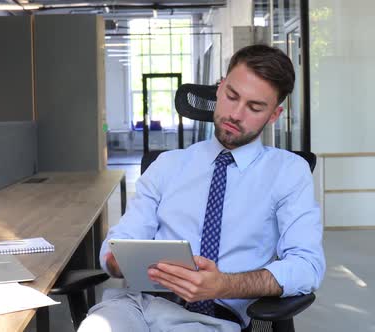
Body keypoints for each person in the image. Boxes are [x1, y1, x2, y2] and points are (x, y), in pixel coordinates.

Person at [78, 44, 325, 332]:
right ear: (220, 89)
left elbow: (307, 266)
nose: (236, 114)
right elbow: (119, 243)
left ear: (273, 115)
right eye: (231, 96)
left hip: (212, 319)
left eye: (254, 107)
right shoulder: (166, 165)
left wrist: (223, 285)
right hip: (136, 306)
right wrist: (118, 261)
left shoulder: (288, 171)